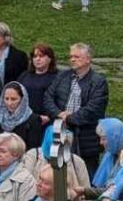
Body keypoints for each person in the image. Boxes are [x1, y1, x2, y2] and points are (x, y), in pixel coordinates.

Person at [45, 43, 109, 175]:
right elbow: (48, 98)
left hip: (86, 138)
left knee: (85, 175)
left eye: (77, 57)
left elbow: (94, 109)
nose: (72, 59)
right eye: (71, 56)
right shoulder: (62, 76)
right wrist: (58, 114)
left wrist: (69, 118)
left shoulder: (98, 82)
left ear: (88, 59)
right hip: (60, 132)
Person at [0, 81, 41, 152]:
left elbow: (33, 149)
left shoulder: (33, 120)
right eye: (6, 99)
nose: (9, 103)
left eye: (13, 99)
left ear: (22, 99)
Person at [18, 44, 60, 137]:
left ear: (50, 59)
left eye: (41, 56)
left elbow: (60, 99)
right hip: (25, 119)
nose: (37, 59)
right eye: (35, 56)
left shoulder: (57, 77)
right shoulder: (25, 75)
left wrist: (50, 116)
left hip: (47, 121)